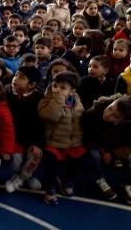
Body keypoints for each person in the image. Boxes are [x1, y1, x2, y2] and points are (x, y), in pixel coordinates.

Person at [39, 71, 117, 204]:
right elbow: (52, 116)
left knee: (86, 160)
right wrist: (58, 98)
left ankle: (67, 179)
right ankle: (50, 188)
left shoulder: (74, 101)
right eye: (55, 86)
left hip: (72, 143)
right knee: (50, 161)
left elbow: (76, 119)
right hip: (54, 142)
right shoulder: (46, 101)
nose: (57, 89)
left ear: (71, 90)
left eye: (63, 88)